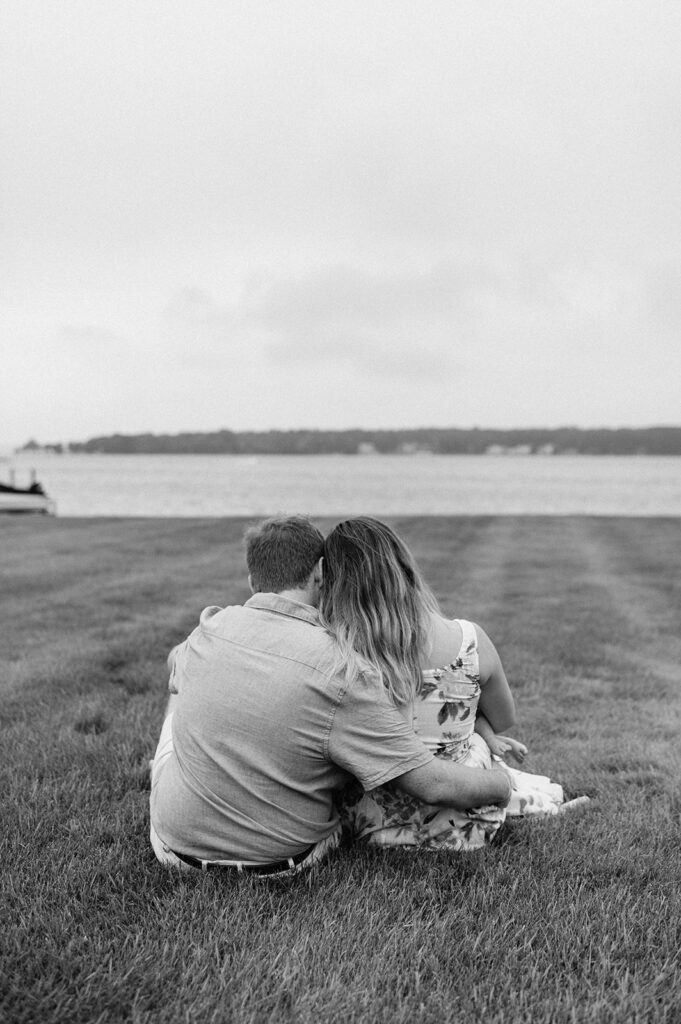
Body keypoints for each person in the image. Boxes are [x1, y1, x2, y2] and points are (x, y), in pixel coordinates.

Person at [149, 514, 513, 878]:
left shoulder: (209, 627)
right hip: (278, 861)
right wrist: (501, 782)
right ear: (321, 573)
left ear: (251, 580)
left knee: (179, 700)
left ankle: (182, 773)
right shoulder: (343, 666)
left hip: (174, 849)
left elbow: (173, 664)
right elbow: (431, 783)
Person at [320, 516, 585, 851]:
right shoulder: (469, 641)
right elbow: (504, 718)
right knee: (476, 738)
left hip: (368, 825)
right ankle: (524, 796)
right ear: (404, 567)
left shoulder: (332, 652)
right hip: (465, 824)